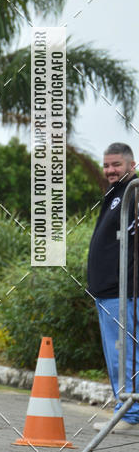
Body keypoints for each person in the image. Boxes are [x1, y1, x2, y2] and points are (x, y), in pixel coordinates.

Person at [87, 142, 139, 432]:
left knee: (125, 354)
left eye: (116, 165)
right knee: (118, 354)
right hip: (107, 291)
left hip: (123, 291)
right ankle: (125, 409)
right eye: (106, 165)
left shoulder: (134, 192)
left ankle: (130, 414)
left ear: (132, 164)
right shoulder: (116, 193)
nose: (110, 170)